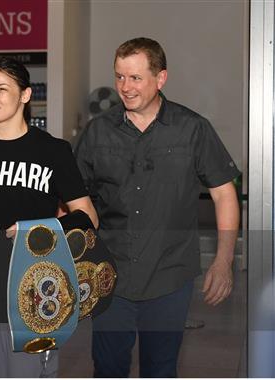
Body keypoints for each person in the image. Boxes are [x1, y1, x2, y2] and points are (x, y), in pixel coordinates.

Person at [74, 37, 240, 377]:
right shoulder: (97, 132)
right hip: (109, 277)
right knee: (107, 369)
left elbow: (224, 194)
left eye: (135, 78)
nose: (125, 87)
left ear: (161, 78)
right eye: (119, 76)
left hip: (169, 278)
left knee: (160, 370)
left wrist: (223, 262)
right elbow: (76, 200)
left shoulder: (192, 129)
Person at [0, 57, 98, 377]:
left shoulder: (53, 151)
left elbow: (88, 217)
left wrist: (38, 230)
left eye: (1, 89)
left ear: (25, 96)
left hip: (32, 303)